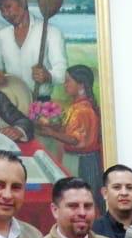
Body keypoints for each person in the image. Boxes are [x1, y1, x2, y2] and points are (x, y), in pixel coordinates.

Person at [0, 0, 67, 101]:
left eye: (8, 7)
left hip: (40, 103)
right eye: (1, 10)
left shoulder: (51, 32)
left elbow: (62, 72)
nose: (6, 14)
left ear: (23, 2)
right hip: (12, 102)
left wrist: (48, 76)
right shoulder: (2, 35)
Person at [35, 65, 103, 206]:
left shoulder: (83, 110)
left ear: (81, 85)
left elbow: (74, 139)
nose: (65, 84)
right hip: (77, 160)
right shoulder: (76, 106)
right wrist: (51, 126)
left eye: (68, 81)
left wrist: (52, 133)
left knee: (82, 199)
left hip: (83, 163)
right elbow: (68, 129)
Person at [92, 164, 132, 238]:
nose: (124, 193)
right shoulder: (92, 232)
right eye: (117, 187)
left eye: (129, 187)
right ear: (105, 193)